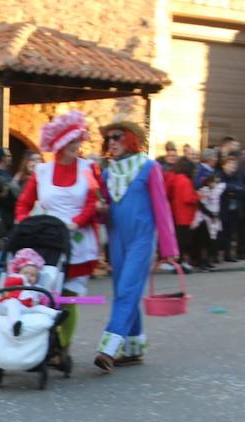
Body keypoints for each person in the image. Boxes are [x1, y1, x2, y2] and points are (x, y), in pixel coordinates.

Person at [94, 121, 179, 373]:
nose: (112, 142)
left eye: (117, 136)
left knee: (126, 291)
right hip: (117, 239)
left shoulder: (149, 167)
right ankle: (133, 349)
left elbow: (162, 209)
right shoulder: (108, 172)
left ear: (130, 138)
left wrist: (168, 248)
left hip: (142, 239)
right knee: (124, 290)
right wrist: (100, 212)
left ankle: (108, 347)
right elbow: (106, 210)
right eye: (108, 138)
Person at [15, 111, 101, 359]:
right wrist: (25, 226)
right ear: (61, 145)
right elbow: (23, 204)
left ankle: (62, 345)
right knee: (46, 291)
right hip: (47, 241)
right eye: (72, 141)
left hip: (78, 240)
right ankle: (43, 341)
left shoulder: (88, 169)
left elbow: (92, 201)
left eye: (78, 140)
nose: (78, 145)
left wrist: (76, 222)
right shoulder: (41, 172)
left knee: (70, 296)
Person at [165, 157, 199, 271]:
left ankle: (177, 262)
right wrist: (198, 196)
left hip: (177, 213)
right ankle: (180, 263)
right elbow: (188, 198)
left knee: (179, 240)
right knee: (184, 241)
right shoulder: (185, 180)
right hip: (185, 215)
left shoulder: (175, 178)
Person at [217, 153, 244, 263]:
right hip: (222, 208)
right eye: (230, 164)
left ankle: (228, 255)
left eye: (234, 165)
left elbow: (243, 189)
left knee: (230, 233)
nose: (232, 166)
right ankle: (215, 255)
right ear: (224, 165)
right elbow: (222, 188)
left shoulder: (237, 175)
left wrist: (232, 190)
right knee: (220, 233)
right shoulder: (220, 175)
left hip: (234, 209)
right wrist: (233, 189)